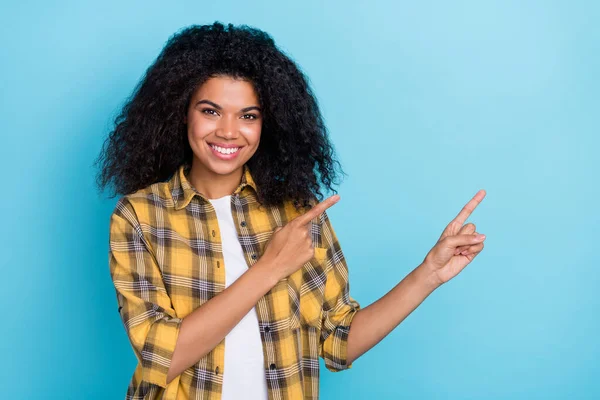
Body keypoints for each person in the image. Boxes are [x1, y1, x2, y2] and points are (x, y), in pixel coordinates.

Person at [95, 21, 487, 400]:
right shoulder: (141, 217)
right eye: (210, 111)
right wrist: (270, 267)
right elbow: (161, 357)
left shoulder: (298, 214)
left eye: (248, 115)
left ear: (269, 124)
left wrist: (428, 275)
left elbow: (339, 343)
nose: (229, 131)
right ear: (182, 112)